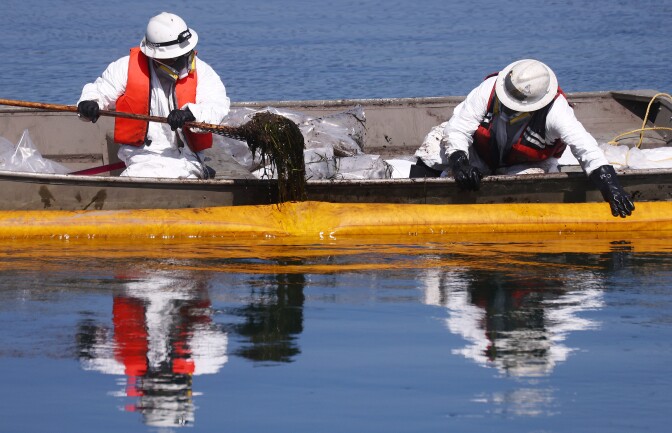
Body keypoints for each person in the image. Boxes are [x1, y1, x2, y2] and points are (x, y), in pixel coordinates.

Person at [412, 59, 635, 218]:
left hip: (526, 165)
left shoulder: (557, 111)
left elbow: (586, 149)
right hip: (482, 153)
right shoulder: (489, 89)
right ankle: (413, 199)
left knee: (530, 182)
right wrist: (460, 163)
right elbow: (459, 128)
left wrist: (612, 188)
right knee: (435, 142)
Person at [77, 12, 230, 178]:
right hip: (140, 157)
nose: (180, 60)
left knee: (181, 176)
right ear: (156, 56)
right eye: (173, 58)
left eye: (184, 54)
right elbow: (101, 89)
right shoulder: (125, 67)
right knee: (139, 177)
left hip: (188, 157)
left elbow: (217, 106)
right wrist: (90, 103)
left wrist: (190, 114)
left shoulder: (203, 72)